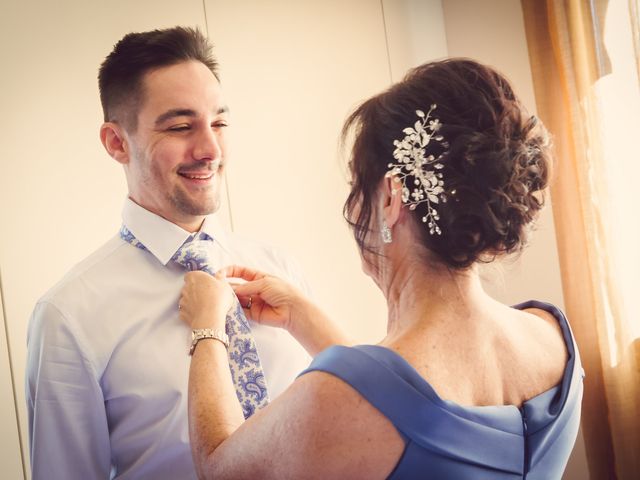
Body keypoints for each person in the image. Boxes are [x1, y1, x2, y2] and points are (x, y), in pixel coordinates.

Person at [178, 58, 584, 479]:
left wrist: (207, 328)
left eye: (358, 184)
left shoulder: (331, 397)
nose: (354, 206)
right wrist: (305, 318)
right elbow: (394, 401)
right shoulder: (553, 336)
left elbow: (218, 467)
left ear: (392, 196)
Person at [25, 26, 310, 479]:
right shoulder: (69, 315)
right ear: (117, 143)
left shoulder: (281, 271)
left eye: (218, 123)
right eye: (181, 127)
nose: (210, 149)